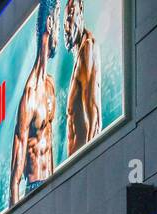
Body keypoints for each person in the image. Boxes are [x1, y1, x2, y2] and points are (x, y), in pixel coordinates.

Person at [9, 0, 60, 205]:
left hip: (53, 185)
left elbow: (51, 148)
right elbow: (14, 180)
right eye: (57, 19)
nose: (59, 30)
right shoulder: (29, 97)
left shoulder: (50, 85)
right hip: (34, 191)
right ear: (49, 23)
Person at [64, 0, 101, 155]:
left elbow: (93, 111)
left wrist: (90, 163)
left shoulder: (87, 48)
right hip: (78, 168)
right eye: (65, 20)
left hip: (84, 166)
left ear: (81, 10)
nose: (66, 27)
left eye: (70, 16)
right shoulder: (79, 53)